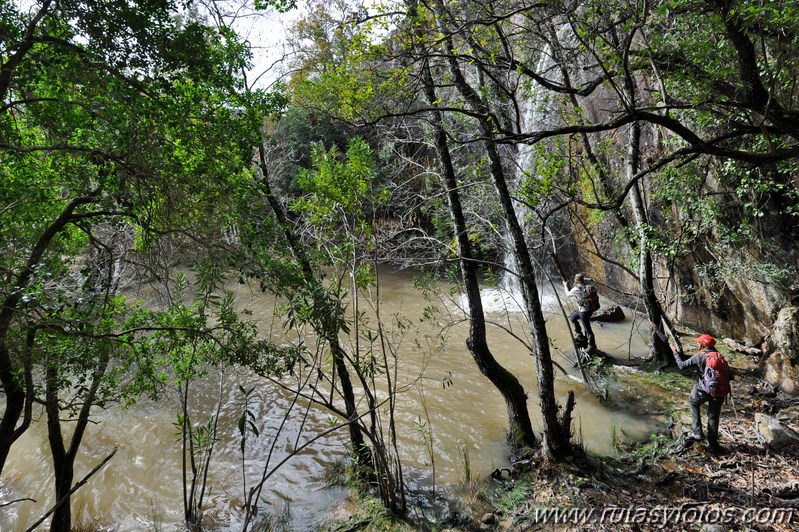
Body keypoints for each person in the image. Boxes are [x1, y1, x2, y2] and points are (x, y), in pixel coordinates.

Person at [671, 333, 732, 454]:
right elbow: (730, 376)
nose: (697, 343)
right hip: (720, 392)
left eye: (699, 342)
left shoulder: (699, 356)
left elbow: (682, 366)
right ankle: (713, 445)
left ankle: (698, 433)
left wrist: (674, 352)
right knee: (713, 416)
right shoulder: (720, 357)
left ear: (704, 344)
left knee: (693, 402)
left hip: (703, 390)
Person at [562, 273, 597, 356]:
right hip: (589, 310)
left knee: (588, 330)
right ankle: (579, 334)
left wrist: (565, 286)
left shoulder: (576, 289)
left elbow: (567, 295)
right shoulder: (587, 287)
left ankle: (591, 347)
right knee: (572, 317)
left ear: (576, 280)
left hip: (583, 312)